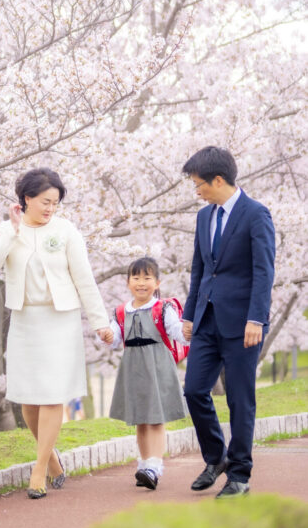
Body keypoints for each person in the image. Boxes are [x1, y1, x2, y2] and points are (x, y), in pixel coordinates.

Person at [0, 167, 113, 499]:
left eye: (55, 203)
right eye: (45, 202)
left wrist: (100, 322)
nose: (50, 209)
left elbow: (84, 278)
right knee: (29, 398)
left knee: (53, 395)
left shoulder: (66, 230)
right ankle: (52, 457)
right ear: (27, 199)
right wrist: (13, 229)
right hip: (25, 320)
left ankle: (39, 469)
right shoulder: (8, 229)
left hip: (60, 321)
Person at [181, 146, 275, 497]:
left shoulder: (256, 214)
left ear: (218, 180)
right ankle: (216, 457)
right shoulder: (204, 217)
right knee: (194, 390)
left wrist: (257, 318)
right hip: (206, 320)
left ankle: (239, 475)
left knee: (239, 399)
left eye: (199, 184)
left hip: (243, 324)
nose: (197, 191)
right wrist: (190, 314)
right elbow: (199, 269)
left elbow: (264, 271)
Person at [107, 256, 188, 490]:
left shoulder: (163, 308)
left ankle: (154, 465)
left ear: (157, 283)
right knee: (140, 419)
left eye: (147, 278)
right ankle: (144, 465)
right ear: (127, 282)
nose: (141, 283)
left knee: (155, 418)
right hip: (133, 369)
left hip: (157, 367)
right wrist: (107, 335)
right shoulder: (121, 312)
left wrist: (187, 331)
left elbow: (176, 331)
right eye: (136, 278)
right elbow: (114, 338)